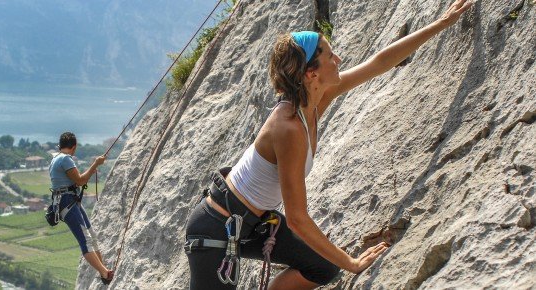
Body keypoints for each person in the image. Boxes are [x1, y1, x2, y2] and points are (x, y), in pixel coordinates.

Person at [184, 1, 474, 289]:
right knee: (334, 265)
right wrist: (352, 264)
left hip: (253, 223)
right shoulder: (289, 128)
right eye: (330, 56)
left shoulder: (315, 99)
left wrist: (441, 23)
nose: (338, 59)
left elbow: (378, 63)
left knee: (322, 268)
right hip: (216, 228)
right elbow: (297, 218)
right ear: (311, 74)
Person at [49, 132, 113, 285]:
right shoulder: (65, 159)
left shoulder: (55, 159)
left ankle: (104, 271)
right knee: (86, 240)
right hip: (67, 202)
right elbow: (80, 181)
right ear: (74, 146)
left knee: (92, 236)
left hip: (69, 201)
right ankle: (105, 273)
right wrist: (95, 164)